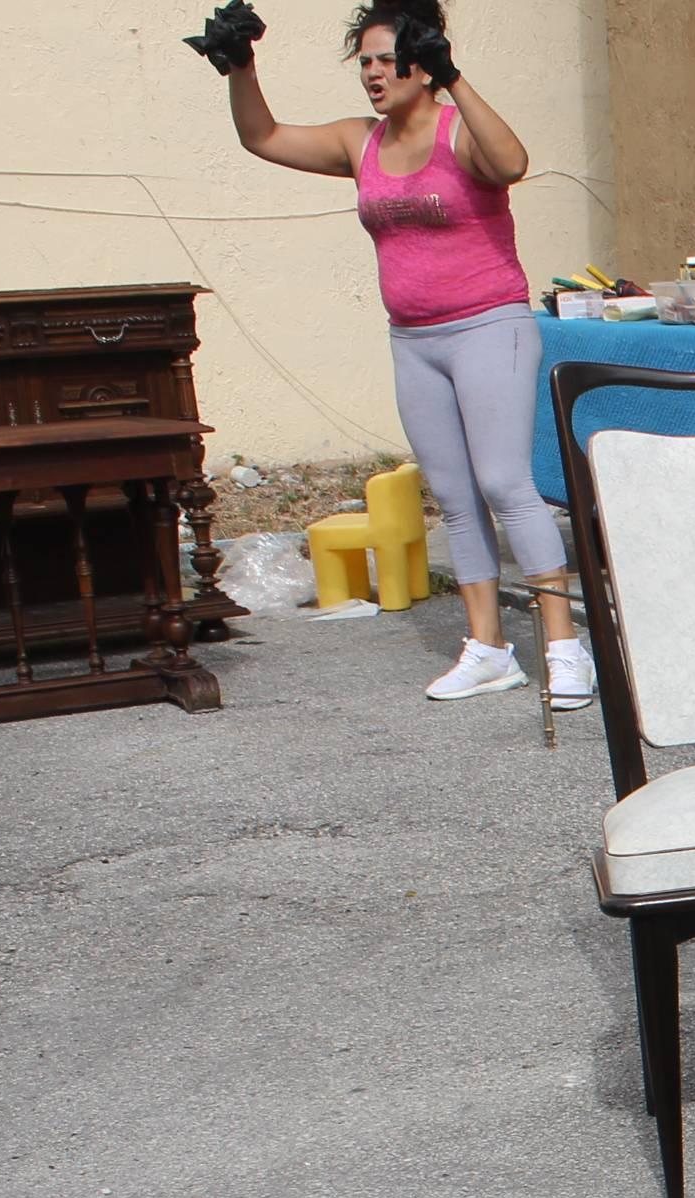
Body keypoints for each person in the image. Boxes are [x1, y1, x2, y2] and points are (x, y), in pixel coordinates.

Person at [190, 0, 590, 706]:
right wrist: (240, 68)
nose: (373, 74)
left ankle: (565, 647)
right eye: (365, 62)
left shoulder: (458, 131)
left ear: (421, 64)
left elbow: (513, 163)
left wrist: (455, 77)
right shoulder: (360, 142)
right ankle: (488, 648)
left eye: (386, 60)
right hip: (414, 338)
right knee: (458, 500)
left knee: (504, 484)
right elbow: (263, 136)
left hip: (488, 326)